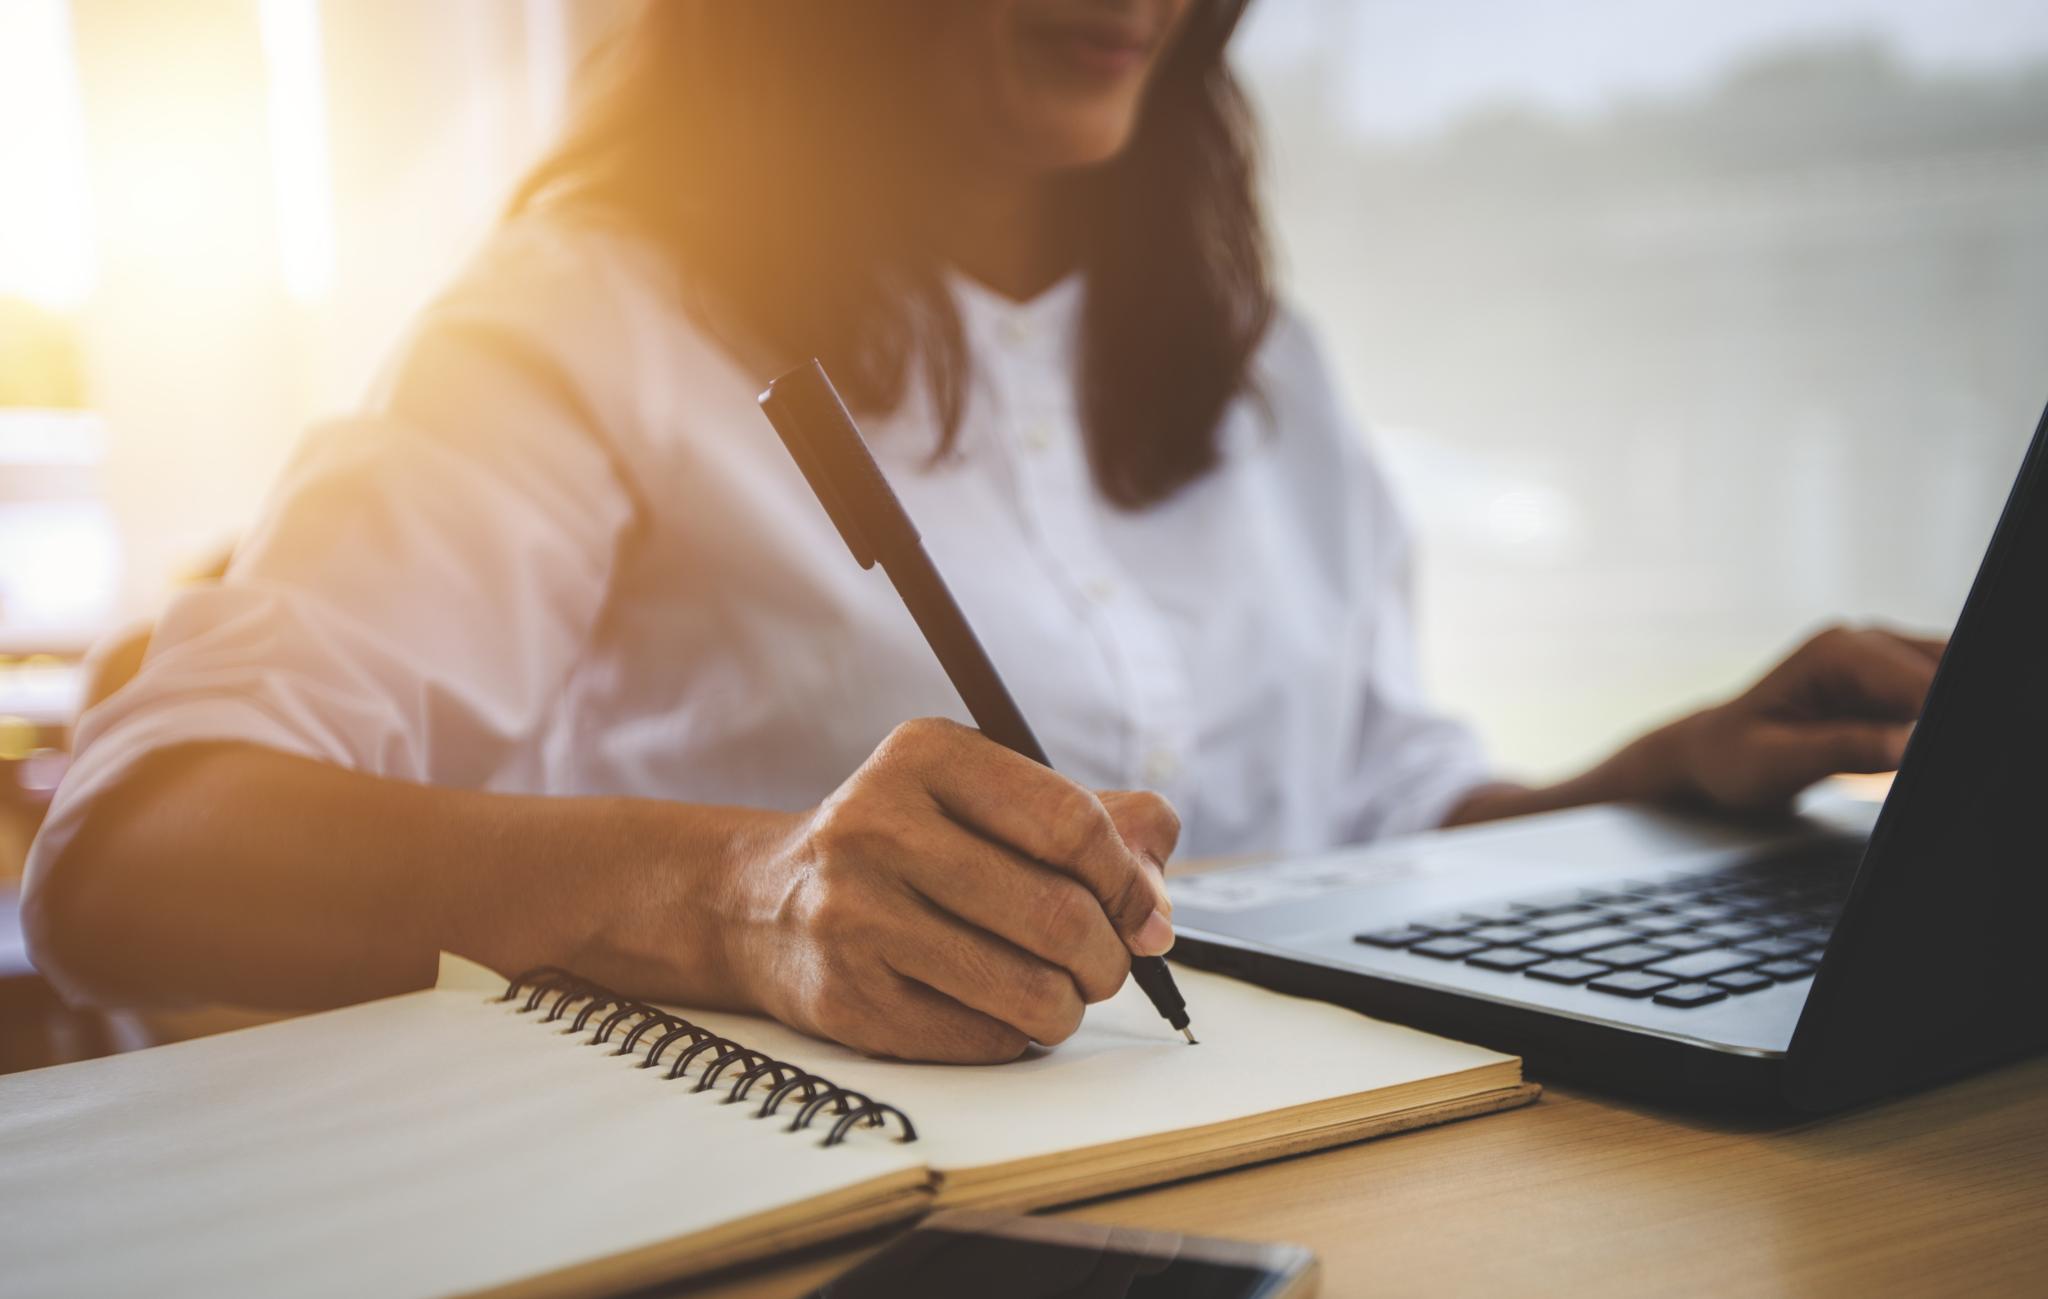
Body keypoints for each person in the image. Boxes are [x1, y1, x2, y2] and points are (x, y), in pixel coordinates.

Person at [22, 0, 1943, 1064]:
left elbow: (1361, 819)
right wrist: (740, 895)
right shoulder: (585, 316)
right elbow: (128, 851)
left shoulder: (1261, 368)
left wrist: (1668, 774)